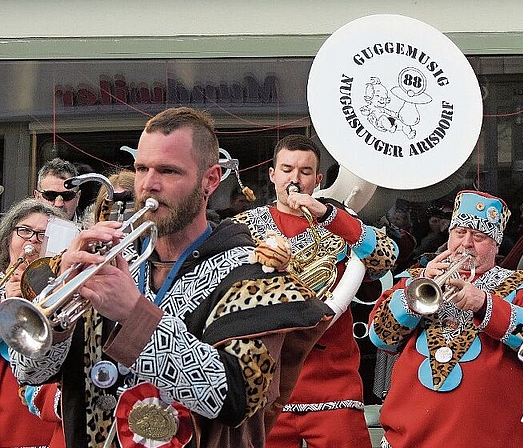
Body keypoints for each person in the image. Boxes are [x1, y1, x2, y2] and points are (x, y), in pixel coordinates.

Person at [10, 107, 333, 448]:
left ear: (210, 180)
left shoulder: (255, 275)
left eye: (168, 171)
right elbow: (30, 373)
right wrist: (59, 315)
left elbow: (236, 398)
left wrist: (135, 314)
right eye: (141, 169)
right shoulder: (105, 259)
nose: (148, 185)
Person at [232, 134, 398, 448]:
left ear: (318, 179)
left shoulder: (339, 222)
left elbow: (385, 257)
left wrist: (326, 215)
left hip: (332, 384)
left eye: (305, 172)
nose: (295, 179)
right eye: (287, 169)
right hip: (266, 382)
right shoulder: (242, 227)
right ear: (273, 175)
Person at [368, 190, 523, 448]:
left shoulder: (521, 285)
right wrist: (416, 290)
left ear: (496, 243)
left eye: (479, 236)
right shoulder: (414, 279)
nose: (466, 243)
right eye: (459, 233)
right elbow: (380, 337)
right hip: (409, 439)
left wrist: (485, 304)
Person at [0, 198, 66, 448]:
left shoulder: (62, 291)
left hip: (41, 413)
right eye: (25, 230)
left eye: (43, 234)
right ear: (8, 238)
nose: (32, 240)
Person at [34, 157, 81, 222]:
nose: (58, 204)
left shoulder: (91, 229)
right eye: (50, 195)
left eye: (67, 195)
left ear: (78, 197)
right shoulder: (22, 228)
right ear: (37, 197)